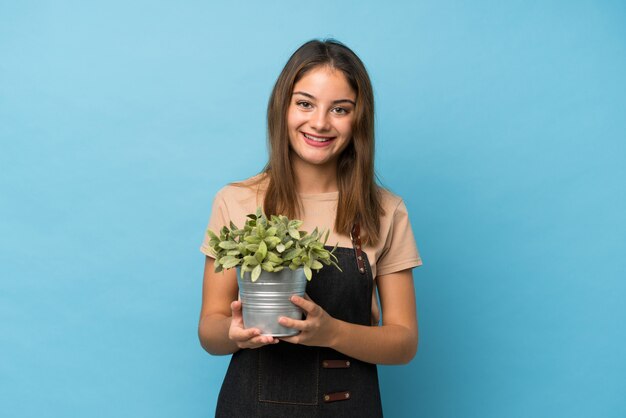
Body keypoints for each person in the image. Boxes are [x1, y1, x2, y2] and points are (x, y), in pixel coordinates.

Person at [198, 39, 422, 417]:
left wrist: (332, 333)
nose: (319, 122)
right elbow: (209, 329)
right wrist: (233, 334)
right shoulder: (236, 201)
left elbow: (404, 342)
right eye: (305, 103)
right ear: (282, 108)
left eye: (340, 109)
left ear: (358, 120)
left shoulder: (385, 210)